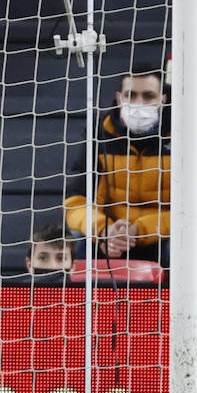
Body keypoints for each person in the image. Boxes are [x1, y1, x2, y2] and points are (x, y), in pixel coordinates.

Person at [63, 67, 173, 266]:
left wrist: (138, 230)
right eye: (131, 95)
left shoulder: (186, 134)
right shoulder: (98, 132)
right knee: (82, 235)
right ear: (119, 98)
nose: (139, 103)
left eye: (148, 96)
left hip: (164, 234)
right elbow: (75, 201)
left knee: (180, 245)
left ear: (162, 99)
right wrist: (104, 230)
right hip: (109, 233)